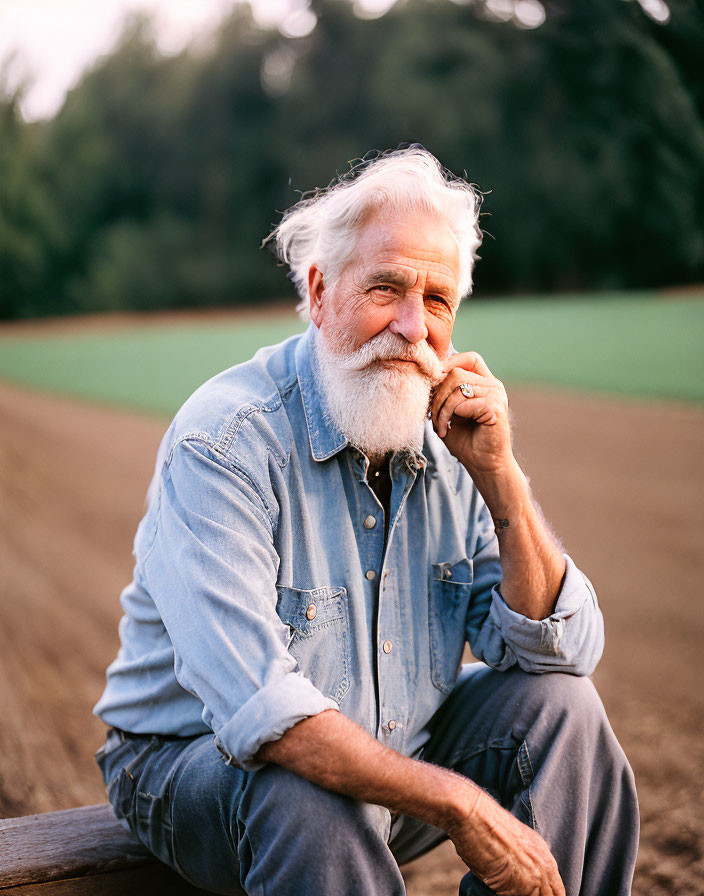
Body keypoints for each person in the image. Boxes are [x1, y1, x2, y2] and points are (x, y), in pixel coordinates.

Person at [93, 148, 639, 896]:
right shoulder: (223, 444)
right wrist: (461, 803)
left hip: (392, 753)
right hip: (195, 771)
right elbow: (267, 718)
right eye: (386, 288)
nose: (412, 328)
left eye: (438, 300)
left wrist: (502, 482)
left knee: (565, 712)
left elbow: (564, 648)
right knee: (314, 790)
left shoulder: (451, 438)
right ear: (320, 293)